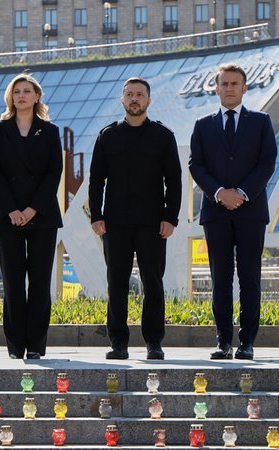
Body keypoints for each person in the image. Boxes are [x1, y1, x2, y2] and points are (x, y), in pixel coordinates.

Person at [88, 77, 182, 360]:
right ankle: (118, 343)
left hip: (152, 223)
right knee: (116, 282)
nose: (134, 98)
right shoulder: (107, 136)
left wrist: (171, 218)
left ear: (149, 100)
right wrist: (97, 215)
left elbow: (174, 181)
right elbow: (96, 181)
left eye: (140, 94)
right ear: (122, 100)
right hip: (114, 224)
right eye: (129, 94)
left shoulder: (163, 136)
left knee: (152, 281)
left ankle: (154, 342)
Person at [189, 63, 277, 361]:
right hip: (216, 212)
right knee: (221, 279)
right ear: (216, 88)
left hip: (251, 211)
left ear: (244, 88)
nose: (229, 88)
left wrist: (241, 194)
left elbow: (267, 163)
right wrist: (219, 193)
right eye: (224, 83)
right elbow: (195, 165)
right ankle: (223, 341)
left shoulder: (261, 122)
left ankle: (247, 342)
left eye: (234, 84)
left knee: (250, 277)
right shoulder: (203, 124)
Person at [0, 73, 63, 360]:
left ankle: (36, 346)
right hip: (7, 215)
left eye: (27, 91)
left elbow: (54, 172)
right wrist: (12, 210)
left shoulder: (50, 131)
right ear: (10, 97)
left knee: (40, 282)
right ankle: (15, 346)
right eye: (16, 91)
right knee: (13, 282)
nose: (21, 95)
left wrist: (32, 209)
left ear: (36, 96)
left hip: (42, 215)